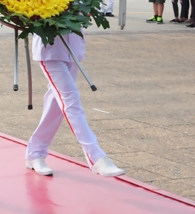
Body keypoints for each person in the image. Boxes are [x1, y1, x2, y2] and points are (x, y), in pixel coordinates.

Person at [25, 31, 126, 177]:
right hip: (49, 47)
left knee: (56, 103)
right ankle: (96, 157)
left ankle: (35, 152)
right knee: (70, 100)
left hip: (72, 47)